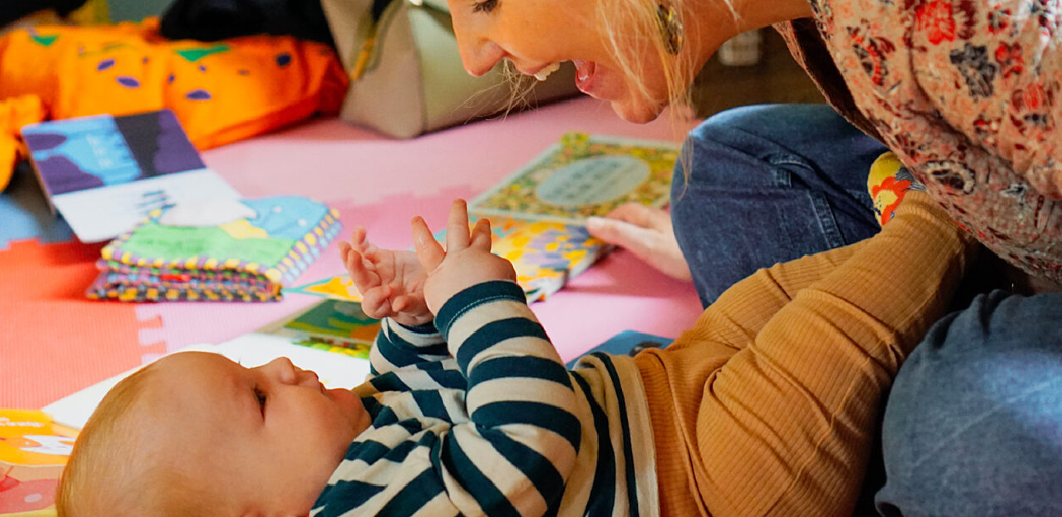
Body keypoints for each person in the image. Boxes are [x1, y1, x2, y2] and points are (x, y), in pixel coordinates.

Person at [349, 0, 1062, 512]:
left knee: (960, 417)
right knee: (731, 171)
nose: (471, 55)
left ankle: (925, 424)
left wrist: (1047, 312)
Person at [59, 176, 980, 517]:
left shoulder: (349, 451)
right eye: (258, 398)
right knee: (835, 335)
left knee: (768, 298)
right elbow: (526, 440)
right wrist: (479, 297)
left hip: (667, 390)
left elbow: (429, 393)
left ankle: (931, 258)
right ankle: (951, 210)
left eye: (256, 365)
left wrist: (418, 321)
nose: (286, 366)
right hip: (712, 479)